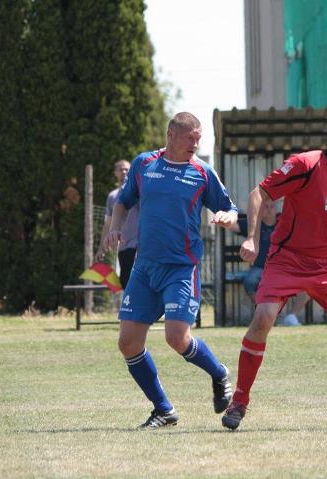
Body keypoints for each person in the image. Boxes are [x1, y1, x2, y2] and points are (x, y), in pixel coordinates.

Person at [221, 111, 327, 431]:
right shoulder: (306, 165)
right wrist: (253, 238)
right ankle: (239, 401)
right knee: (263, 318)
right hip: (288, 260)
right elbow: (260, 193)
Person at [104, 112, 238, 428]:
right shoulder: (144, 164)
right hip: (144, 268)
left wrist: (225, 218)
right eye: (190, 137)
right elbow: (123, 202)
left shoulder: (202, 173)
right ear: (171, 135)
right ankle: (163, 410)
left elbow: (230, 209)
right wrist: (115, 228)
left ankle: (219, 373)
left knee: (176, 338)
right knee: (128, 343)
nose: (196, 143)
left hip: (181, 267)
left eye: (198, 138)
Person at [229, 200, 310, 325]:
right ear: (260, 210)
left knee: (308, 285)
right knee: (249, 281)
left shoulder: (284, 224)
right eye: (265, 207)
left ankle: (291, 316)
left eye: (271, 206)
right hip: (260, 269)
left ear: (276, 208)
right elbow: (232, 225)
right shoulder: (254, 225)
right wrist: (226, 215)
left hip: (283, 269)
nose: (269, 209)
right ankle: (269, 315)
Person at [95, 160, 139, 289]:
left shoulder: (139, 192)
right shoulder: (112, 196)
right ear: (115, 173)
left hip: (141, 245)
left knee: (142, 284)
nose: (124, 172)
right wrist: (101, 248)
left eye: (126, 169)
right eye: (120, 169)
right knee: (126, 285)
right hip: (125, 246)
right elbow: (108, 223)